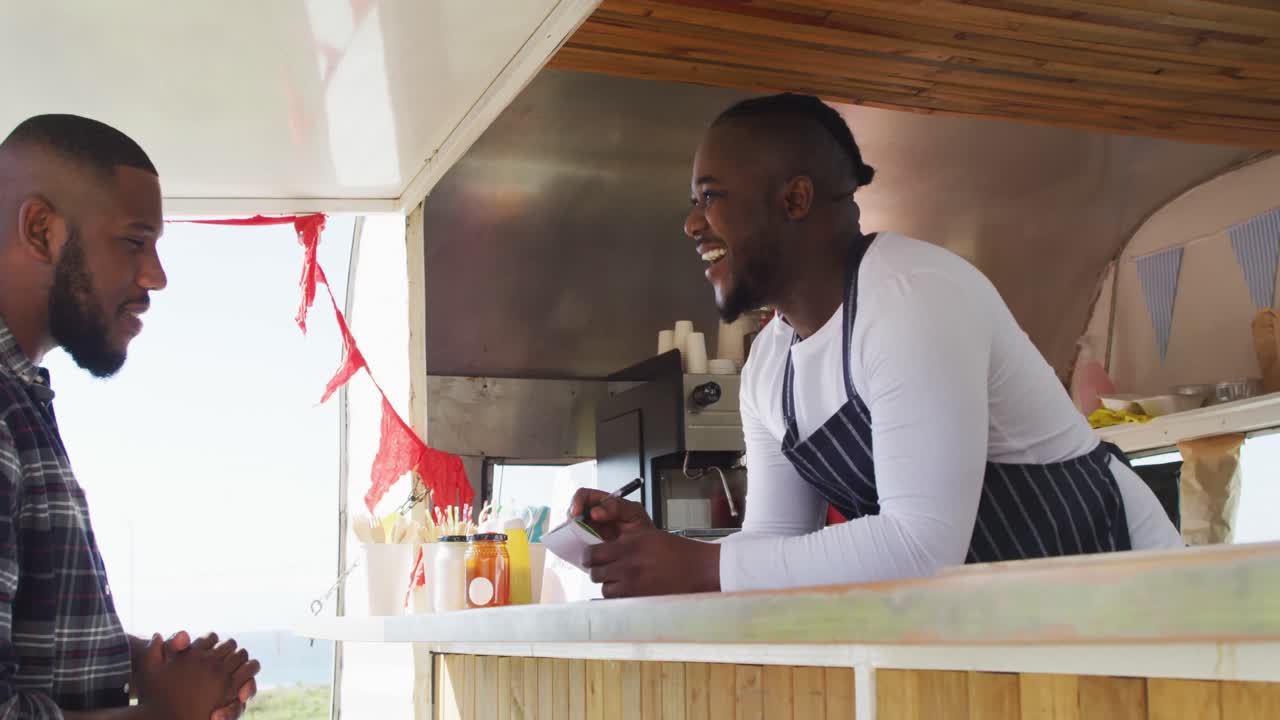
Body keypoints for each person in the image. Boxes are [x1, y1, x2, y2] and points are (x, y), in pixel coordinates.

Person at [573, 93, 1182, 598]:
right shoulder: (769, 366)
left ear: (795, 199)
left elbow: (920, 545)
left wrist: (699, 565)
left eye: (710, 197)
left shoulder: (912, 296)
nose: (692, 223)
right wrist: (658, 551)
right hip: (1010, 614)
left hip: (1126, 593)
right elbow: (774, 544)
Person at [0, 114, 260, 718]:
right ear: (41, 231)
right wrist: (160, 714)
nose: (156, 277)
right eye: (134, 241)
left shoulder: (20, 398)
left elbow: (33, 624)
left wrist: (135, 661)